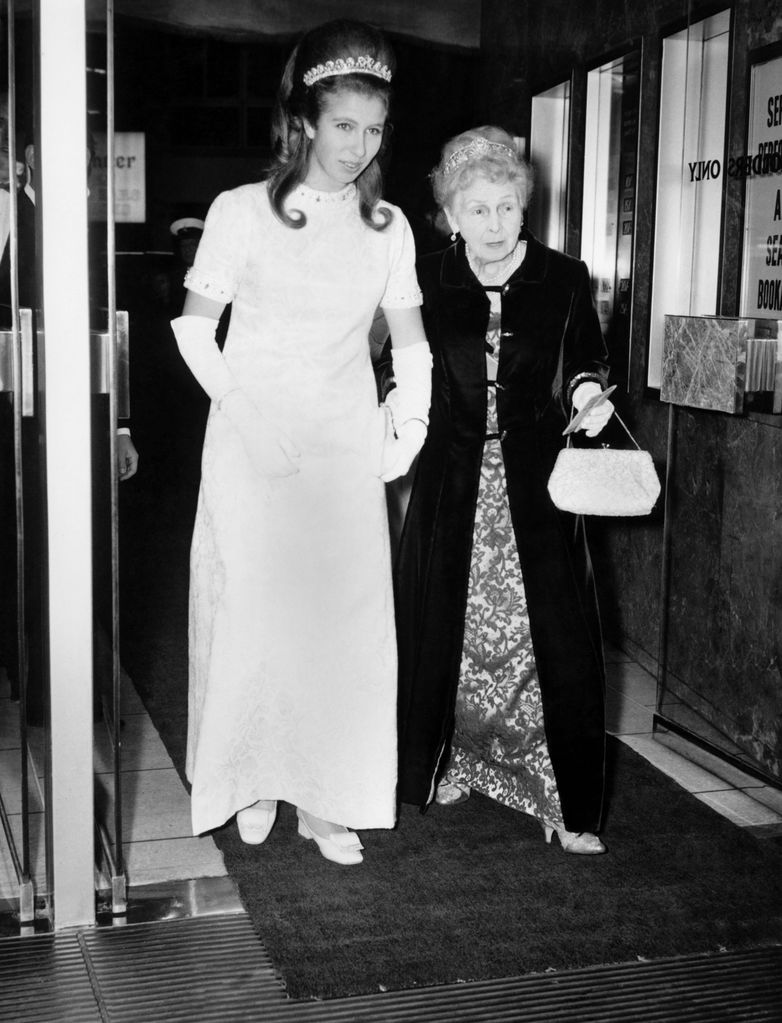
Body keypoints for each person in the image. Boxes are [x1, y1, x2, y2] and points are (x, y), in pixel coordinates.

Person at [171, 19, 431, 866]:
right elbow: (193, 331)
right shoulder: (241, 212)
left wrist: (409, 426)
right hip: (250, 441)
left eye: (375, 129)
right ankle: (252, 777)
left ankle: (326, 798)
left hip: (341, 449)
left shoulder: (390, 226)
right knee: (253, 614)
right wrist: (250, 422)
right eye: (345, 124)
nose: (359, 145)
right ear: (309, 122)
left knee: (336, 628)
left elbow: (414, 345)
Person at [394, 126, 613, 855]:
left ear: (526, 207)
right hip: (450, 485)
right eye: (476, 209)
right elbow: (402, 369)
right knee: (446, 629)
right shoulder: (425, 278)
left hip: (537, 490)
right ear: (451, 213)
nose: (492, 224)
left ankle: (559, 795)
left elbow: (585, 358)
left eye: (507, 208)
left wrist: (589, 393)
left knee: (545, 641)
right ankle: (448, 761)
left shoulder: (564, 276)